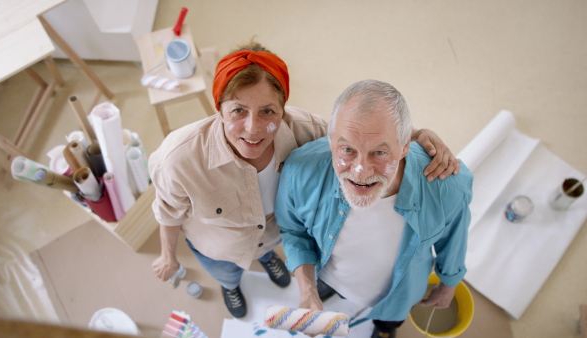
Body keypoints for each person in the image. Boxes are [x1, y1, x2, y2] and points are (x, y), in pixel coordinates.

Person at [148, 42, 461, 319]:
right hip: (219, 248)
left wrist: (417, 135)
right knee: (227, 275)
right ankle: (231, 287)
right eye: (238, 111)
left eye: (268, 111)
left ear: (283, 110)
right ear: (219, 108)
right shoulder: (178, 159)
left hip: (274, 236)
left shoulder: (307, 129)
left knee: (269, 251)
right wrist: (168, 256)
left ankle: (269, 259)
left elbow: (359, 132)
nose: (253, 127)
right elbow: (168, 213)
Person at [275, 79, 473, 338]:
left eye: (379, 153)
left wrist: (448, 284)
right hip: (328, 273)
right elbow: (293, 230)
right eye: (347, 150)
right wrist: (308, 291)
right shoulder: (299, 171)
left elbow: (454, 241)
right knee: (326, 284)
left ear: (405, 147)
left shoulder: (449, 187)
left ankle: (383, 329)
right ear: (331, 141)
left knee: (388, 323)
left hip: (398, 297)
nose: (360, 171)